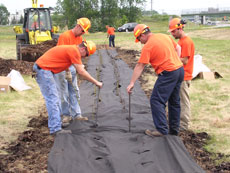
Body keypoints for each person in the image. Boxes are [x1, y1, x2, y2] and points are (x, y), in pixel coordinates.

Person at [33, 41, 103, 135]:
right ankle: (55, 129)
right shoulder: (74, 51)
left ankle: (56, 123)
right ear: (83, 49)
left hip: (46, 70)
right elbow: (81, 72)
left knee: (54, 98)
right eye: (86, 55)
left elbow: (61, 59)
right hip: (44, 70)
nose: (84, 57)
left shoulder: (72, 49)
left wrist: (67, 70)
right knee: (53, 99)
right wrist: (96, 82)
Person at [126, 24, 184, 137]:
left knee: (156, 100)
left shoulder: (148, 46)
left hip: (168, 73)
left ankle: (162, 130)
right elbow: (178, 48)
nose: (140, 42)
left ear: (142, 35)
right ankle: (174, 130)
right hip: (179, 70)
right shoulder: (164, 36)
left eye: (139, 39)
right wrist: (175, 62)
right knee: (174, 101)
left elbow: (140, 66)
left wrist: (132, 83)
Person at [54, 17, 91, 127]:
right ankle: (66, 115)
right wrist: (66, 71)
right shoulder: (65, 37)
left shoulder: (79, 39)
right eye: (82, 30)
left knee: (74, 91)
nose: (82, 33)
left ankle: (77, 114)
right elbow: (61, 56)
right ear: (78, 26)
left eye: (84, 32)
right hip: (62, 68)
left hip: (73, 68)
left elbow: (78, 54)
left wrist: (79, 66)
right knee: (64, 93)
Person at [168, 18, 195, 131]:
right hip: (178, 75)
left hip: (184, 76)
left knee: (183, 101)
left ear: (180, 28)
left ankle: (183, 126)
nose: (172, 33)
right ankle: (176, 122)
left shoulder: (186, 42)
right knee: (176, 100)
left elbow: (184, 60)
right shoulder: (180, 41)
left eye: (174, 31)